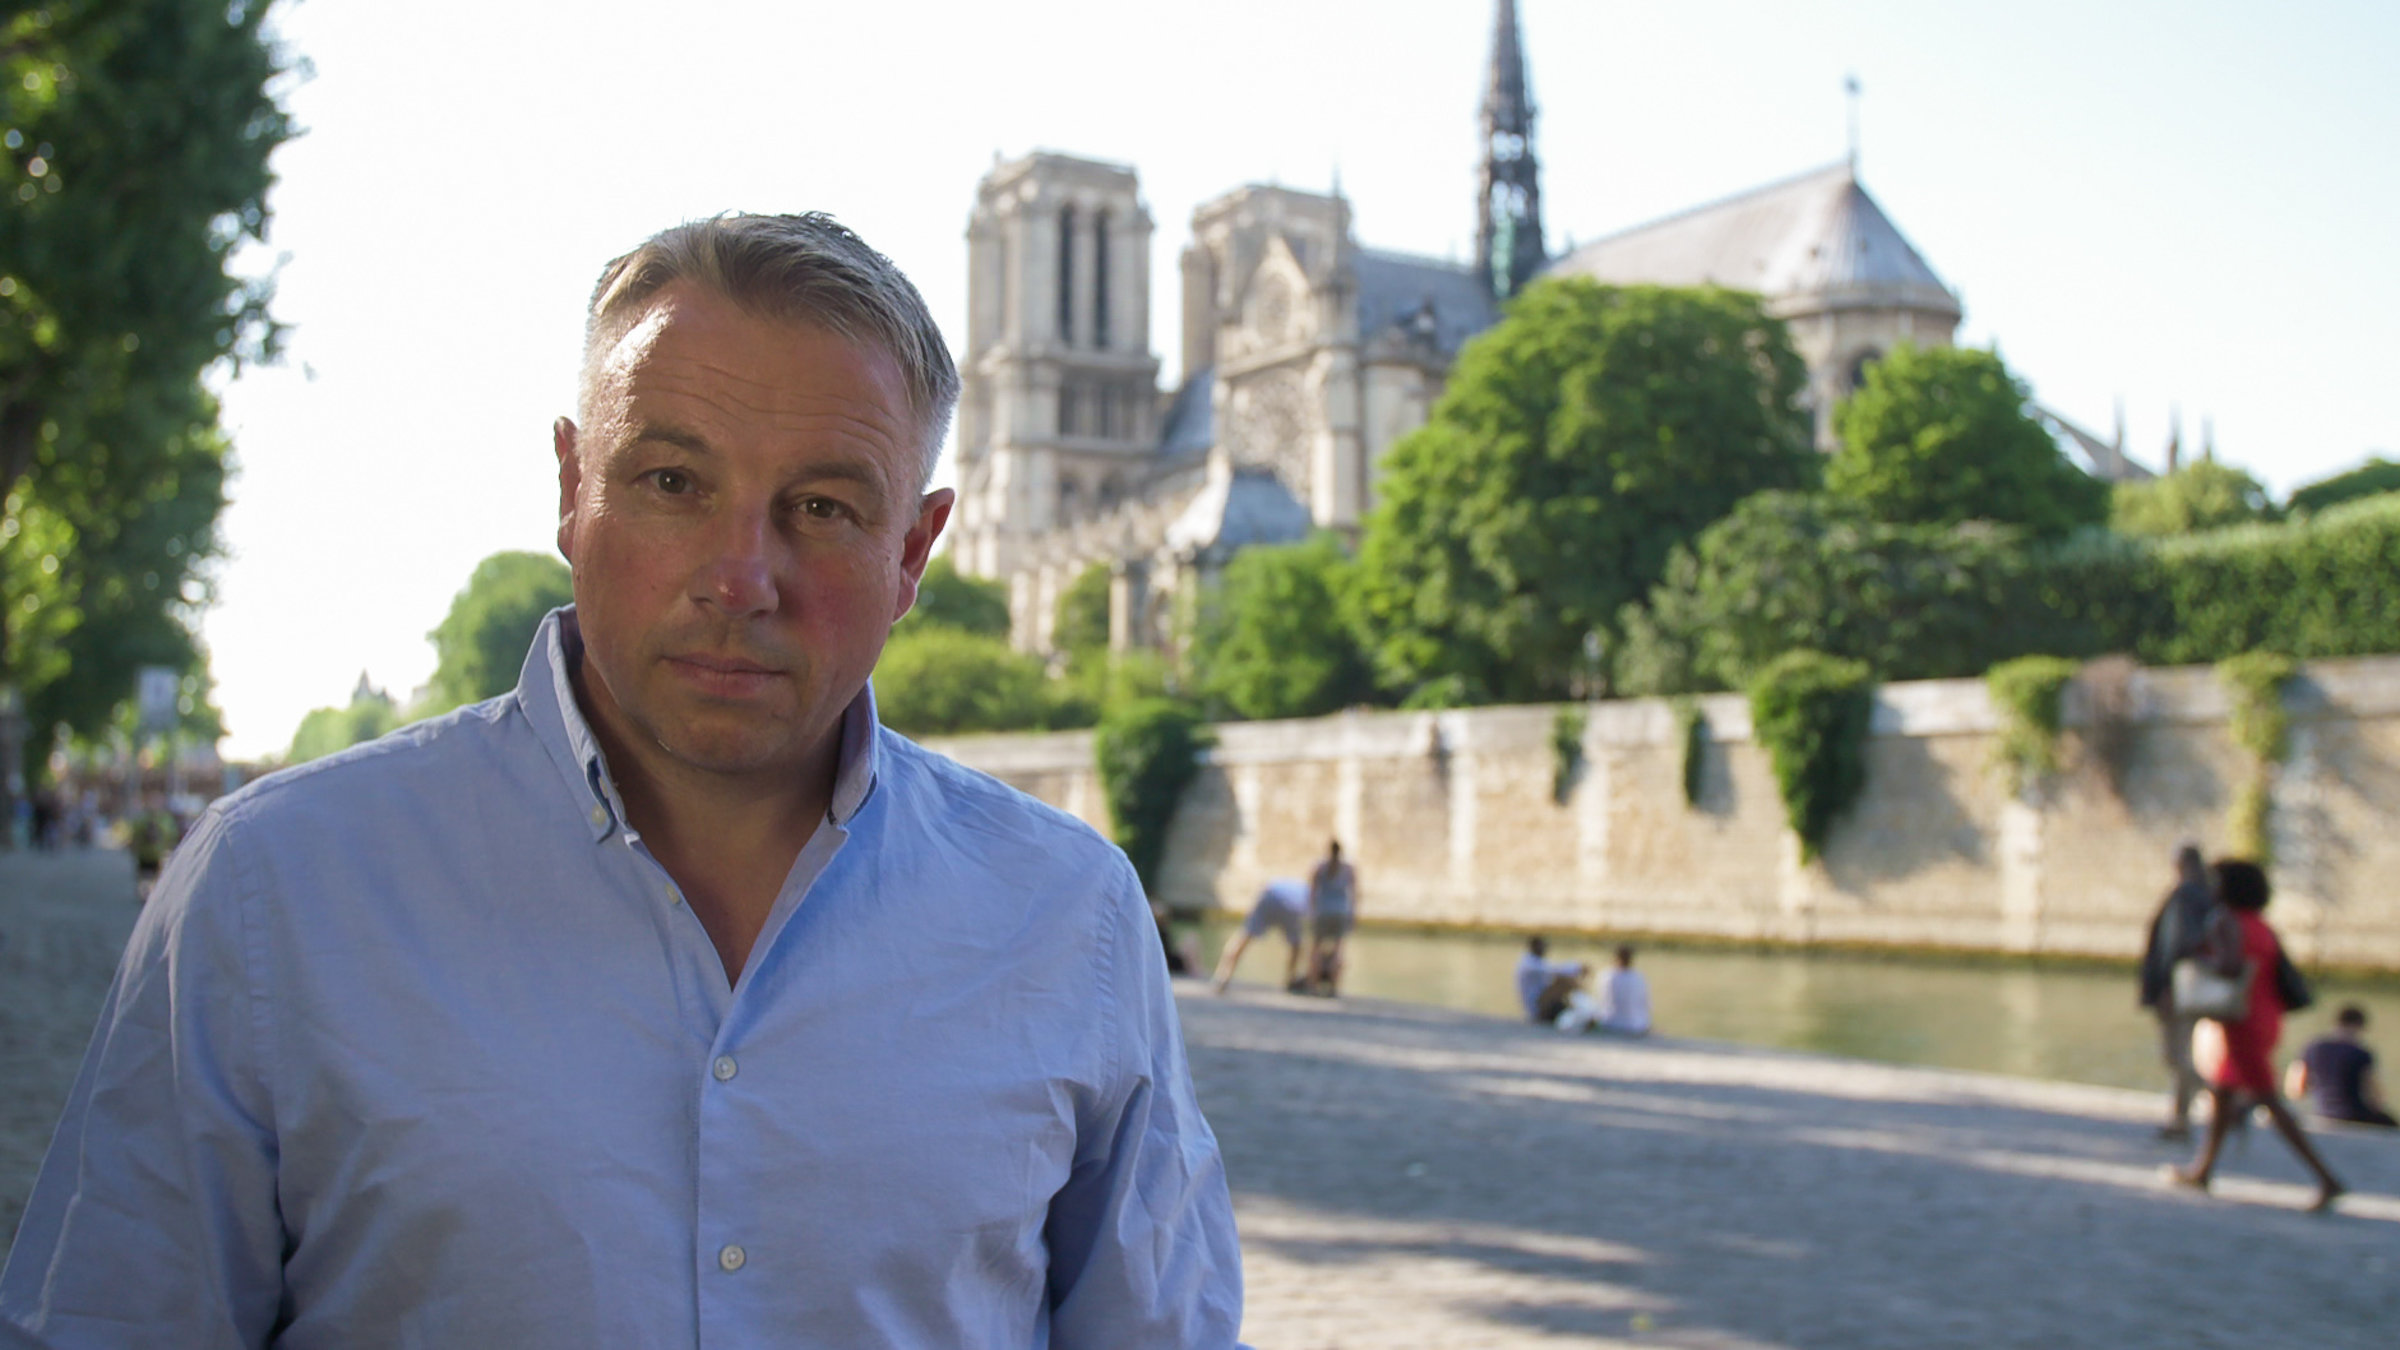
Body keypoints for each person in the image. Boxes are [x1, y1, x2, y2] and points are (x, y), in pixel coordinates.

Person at [0, 214, 1245, 1347]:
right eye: (671, 483)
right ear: (569, 487)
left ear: (915, 552)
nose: (738, 575)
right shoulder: (271, 895)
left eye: (819, 506)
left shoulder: (1070, 918)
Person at [2169, 859, 2345, 1212]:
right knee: (2222, 1092)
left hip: (2240, 1020)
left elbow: (2230, 966)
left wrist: (2198, 960)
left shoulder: (2226, 921)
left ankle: (2326, 1177)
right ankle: (2203, 1169)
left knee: (2268, 1099)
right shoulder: (2262, 925)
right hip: (2265, 1015)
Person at [2137, 843, 2216, 1140]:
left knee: (2175, 1055)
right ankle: (2183, 1117)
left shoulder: (2185, 896)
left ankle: (2217, 1102)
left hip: (2178, 988)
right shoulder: (2205, 896)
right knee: (2180, 1056)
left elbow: (2176, 944)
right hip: (2192, 987)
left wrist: (2167, 989)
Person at [2287, 1005, 2397, 1128]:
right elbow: (2376, 1098)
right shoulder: (2361, 1054)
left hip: (2322, 1112)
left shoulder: (2311, 1048)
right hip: (2354, 1116)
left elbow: (2295, 1090)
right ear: (2359, 1026)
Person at [1212, 878, 1308, 994]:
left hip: (1269, 894)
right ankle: (1289, 980)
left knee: (1244, 937)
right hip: (1291, 905)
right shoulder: (1315, 896)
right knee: (1295, 945)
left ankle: (1222, 976)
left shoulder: (1302, 889)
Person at [1303, 838, 1358, 996]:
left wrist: (1311, 912)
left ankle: (1312, 985)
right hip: (1341, 911)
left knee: (1316, 948)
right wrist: (1353, 915)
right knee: (1339, 950)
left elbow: (1312, 891)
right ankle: (1334, 988)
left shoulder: (1319, 866)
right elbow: (1354, 894)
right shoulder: (1348, 868)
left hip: (1322, 910)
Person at [1515, 935, 1588, 1023]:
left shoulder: (1535, 961)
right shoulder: (1528, 964)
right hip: (1535, 1008)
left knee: (1562, 980)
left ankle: (1582, 1008)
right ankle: (1586, 1008)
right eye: (1543, 946)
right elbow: (1555, 969)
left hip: (1540, 1002)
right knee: (1563, 981)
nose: (1545, 949)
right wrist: (1578, 968)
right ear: (1535, 947)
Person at [1595, 945, 1652, 1036]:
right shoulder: (1638, 977)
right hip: (1635, 1025)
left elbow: (1602, 1001)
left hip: (1609, 1023)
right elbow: (1646, 1003)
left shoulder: (1607, 975)